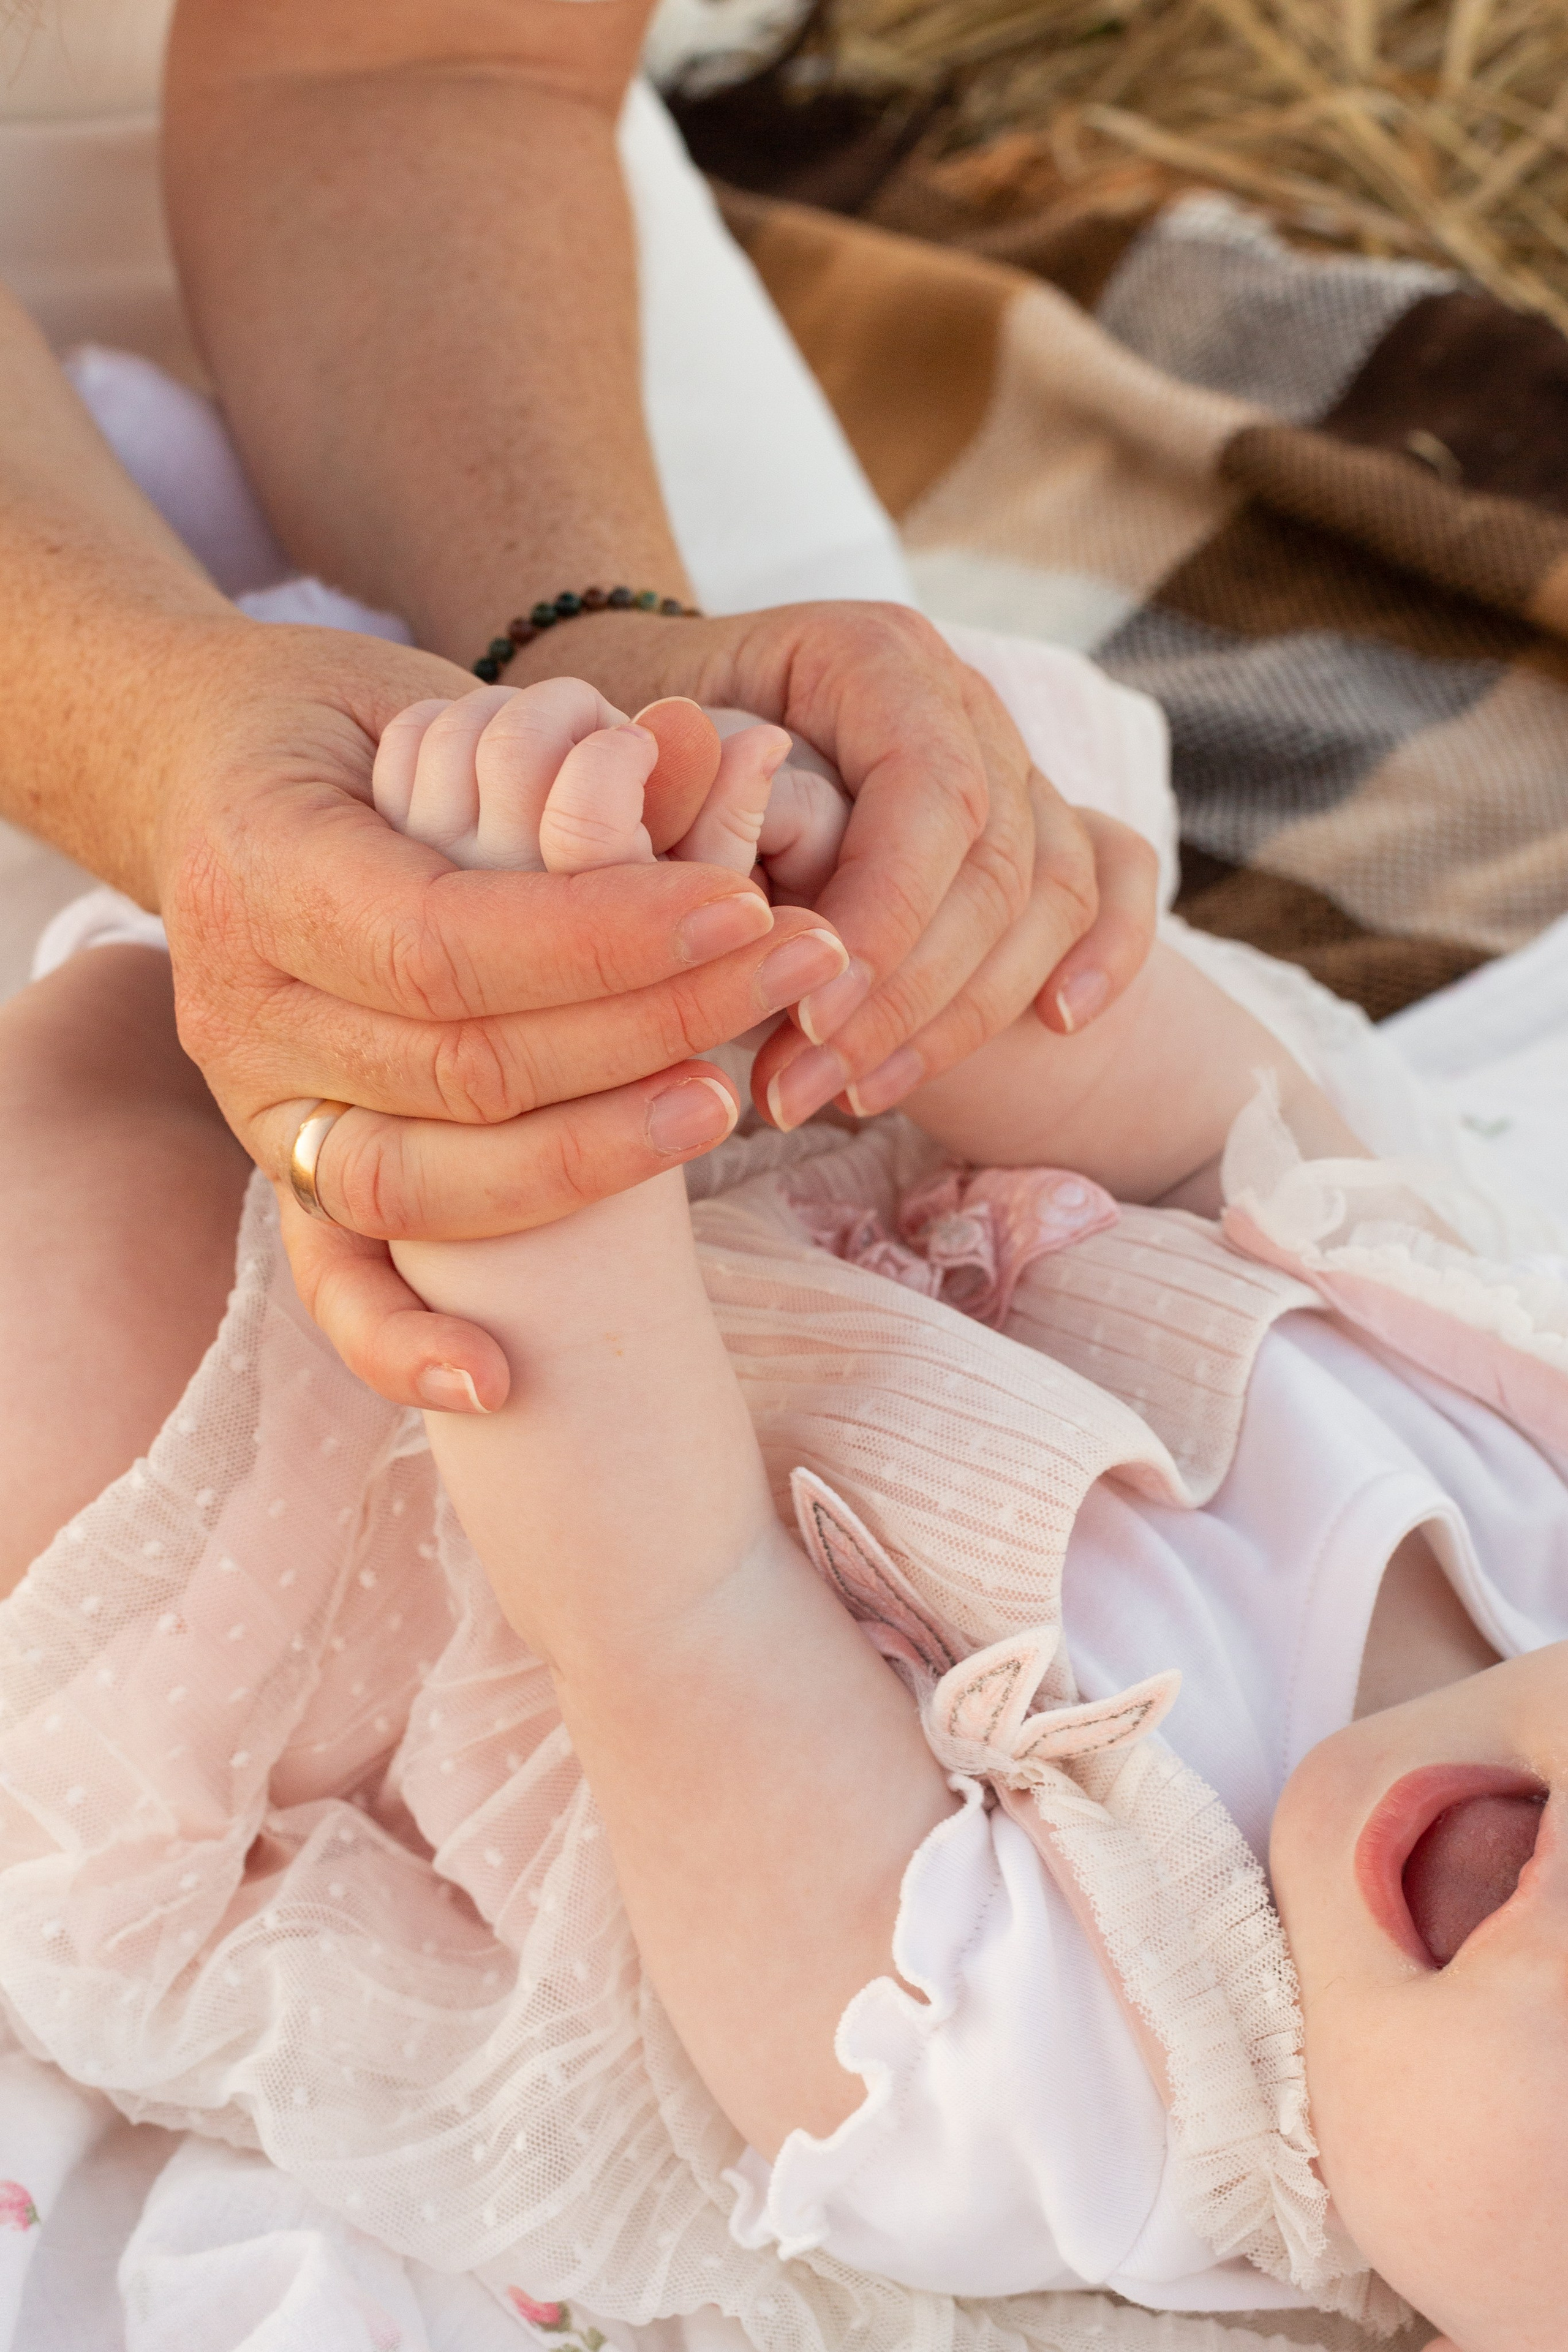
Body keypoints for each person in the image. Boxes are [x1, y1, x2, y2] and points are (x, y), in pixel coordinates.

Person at [2, 674, 1564, 2352]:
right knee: (911, 816)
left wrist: (525, 1118)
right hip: (782, 1157)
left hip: (495, 1483)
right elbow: (1210, 1151)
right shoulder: (1531, 1502)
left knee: (72, 1248)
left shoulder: (1093, 2091)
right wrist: (897, 964)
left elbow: (671, 1609)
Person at [0, 0, 1162, 1571]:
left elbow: (405, 57)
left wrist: (582, 627)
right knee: (112, 1330)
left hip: (401, 181)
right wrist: (154, 742)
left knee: (881, 910)